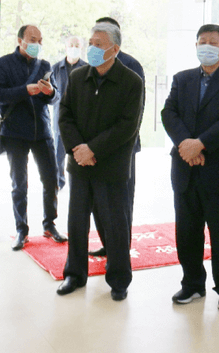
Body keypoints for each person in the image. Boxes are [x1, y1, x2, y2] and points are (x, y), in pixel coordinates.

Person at [55, 22, 143, 301]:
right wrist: (78, 149)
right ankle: (74, 274)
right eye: (90, 43)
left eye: (98, 44)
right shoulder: (78, 76)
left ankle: (119, 279)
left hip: (111, 165)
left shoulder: (131, 81)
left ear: (114, 49)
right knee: (77, 222)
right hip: (80, 164)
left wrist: (93, 149)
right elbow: (65, 115)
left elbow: (127, 126)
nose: (91, 49)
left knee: (115, 224)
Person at [162, 24, 219, 311]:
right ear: (195, 45)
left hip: (218, 169)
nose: (206, 46)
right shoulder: (182, 79)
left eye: (213, 42)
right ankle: (192, 284)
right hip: (185, 168)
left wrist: (201, 144)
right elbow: (168, 113)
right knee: (187, 232)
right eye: (201, 41)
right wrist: (186, 144)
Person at [0, 24, 67, 250]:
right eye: (33, 39)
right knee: (19, 184)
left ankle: (50, 224)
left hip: (42, 131)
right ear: (20, 40)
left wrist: (50, 92)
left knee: (51, 179)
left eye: (40, 40)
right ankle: (21, 230)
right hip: (14, 133)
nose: (37, 44)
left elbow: (54, 97)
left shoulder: (44, 65)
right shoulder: (2, 64)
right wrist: (26, 90)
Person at [87, 16, 146, 258]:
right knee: (97, 201)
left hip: (123, 146)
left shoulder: (131, 66)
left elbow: (135, 113)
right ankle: (107, 243)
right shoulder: (90, 66)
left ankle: (121, 248)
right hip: (94, 147)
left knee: (121, 201)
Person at [51, 35, 85, 190]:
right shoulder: (55, 69)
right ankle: (58, 184)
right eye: (71, 45)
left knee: (78, 155)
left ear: (81, 48)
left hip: (80, 122)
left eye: (77, 45)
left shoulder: (87, 68)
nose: (74, 48)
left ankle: (78, 185)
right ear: (65, 47)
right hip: (60, 121)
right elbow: (50, 96)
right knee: (58, 156)